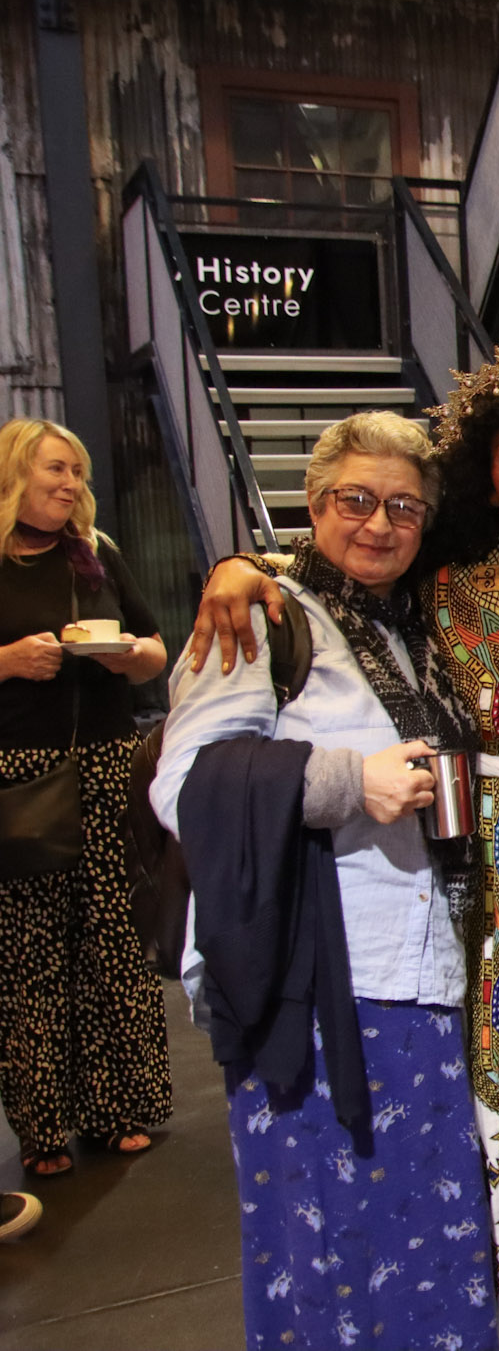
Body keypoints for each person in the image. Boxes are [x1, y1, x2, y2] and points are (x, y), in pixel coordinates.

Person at [187, 347, 499, 1351]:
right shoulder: (429, 594)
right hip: (445, 931)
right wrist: (239, 567)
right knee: (479, 1155)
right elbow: (193, 778)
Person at [152, 411, 497, 1351]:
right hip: (319, 987)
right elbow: (186, 786)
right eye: (356, 500)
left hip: (426, 983)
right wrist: (349, 780)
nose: (379, 523)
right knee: (328, 1244)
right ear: (313, 504)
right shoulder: (264, 617)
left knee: (432, 1240)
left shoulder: (414, 625)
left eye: (403, 507)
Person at [0, 417, 171, 1179]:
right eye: (55, 471)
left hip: (103, 765)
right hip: (18, 775)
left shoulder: (95, 555)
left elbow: (154, 650)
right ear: (13, 477)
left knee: (112, 933)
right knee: (30, 951)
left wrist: (127, 656)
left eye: (77, 472)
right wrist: (6, 660)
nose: (71, 485)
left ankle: (119, 1105)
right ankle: (41, 1123)